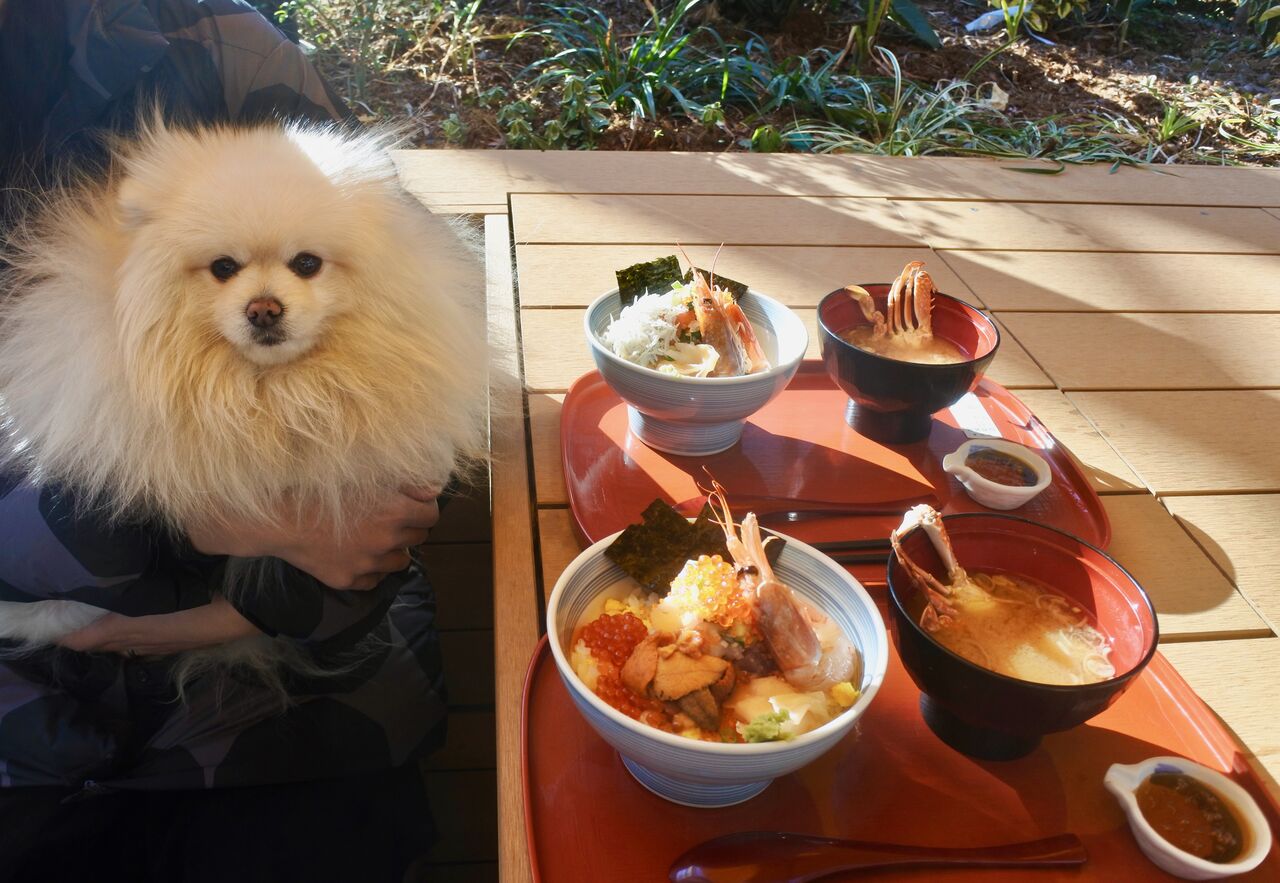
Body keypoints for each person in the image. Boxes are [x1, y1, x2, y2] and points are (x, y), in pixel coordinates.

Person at [0, 2, 452, 880]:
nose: (265, 298)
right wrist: (203, 526)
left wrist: (259, 603)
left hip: (301, 702)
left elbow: (426, 388)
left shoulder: (215, 48)